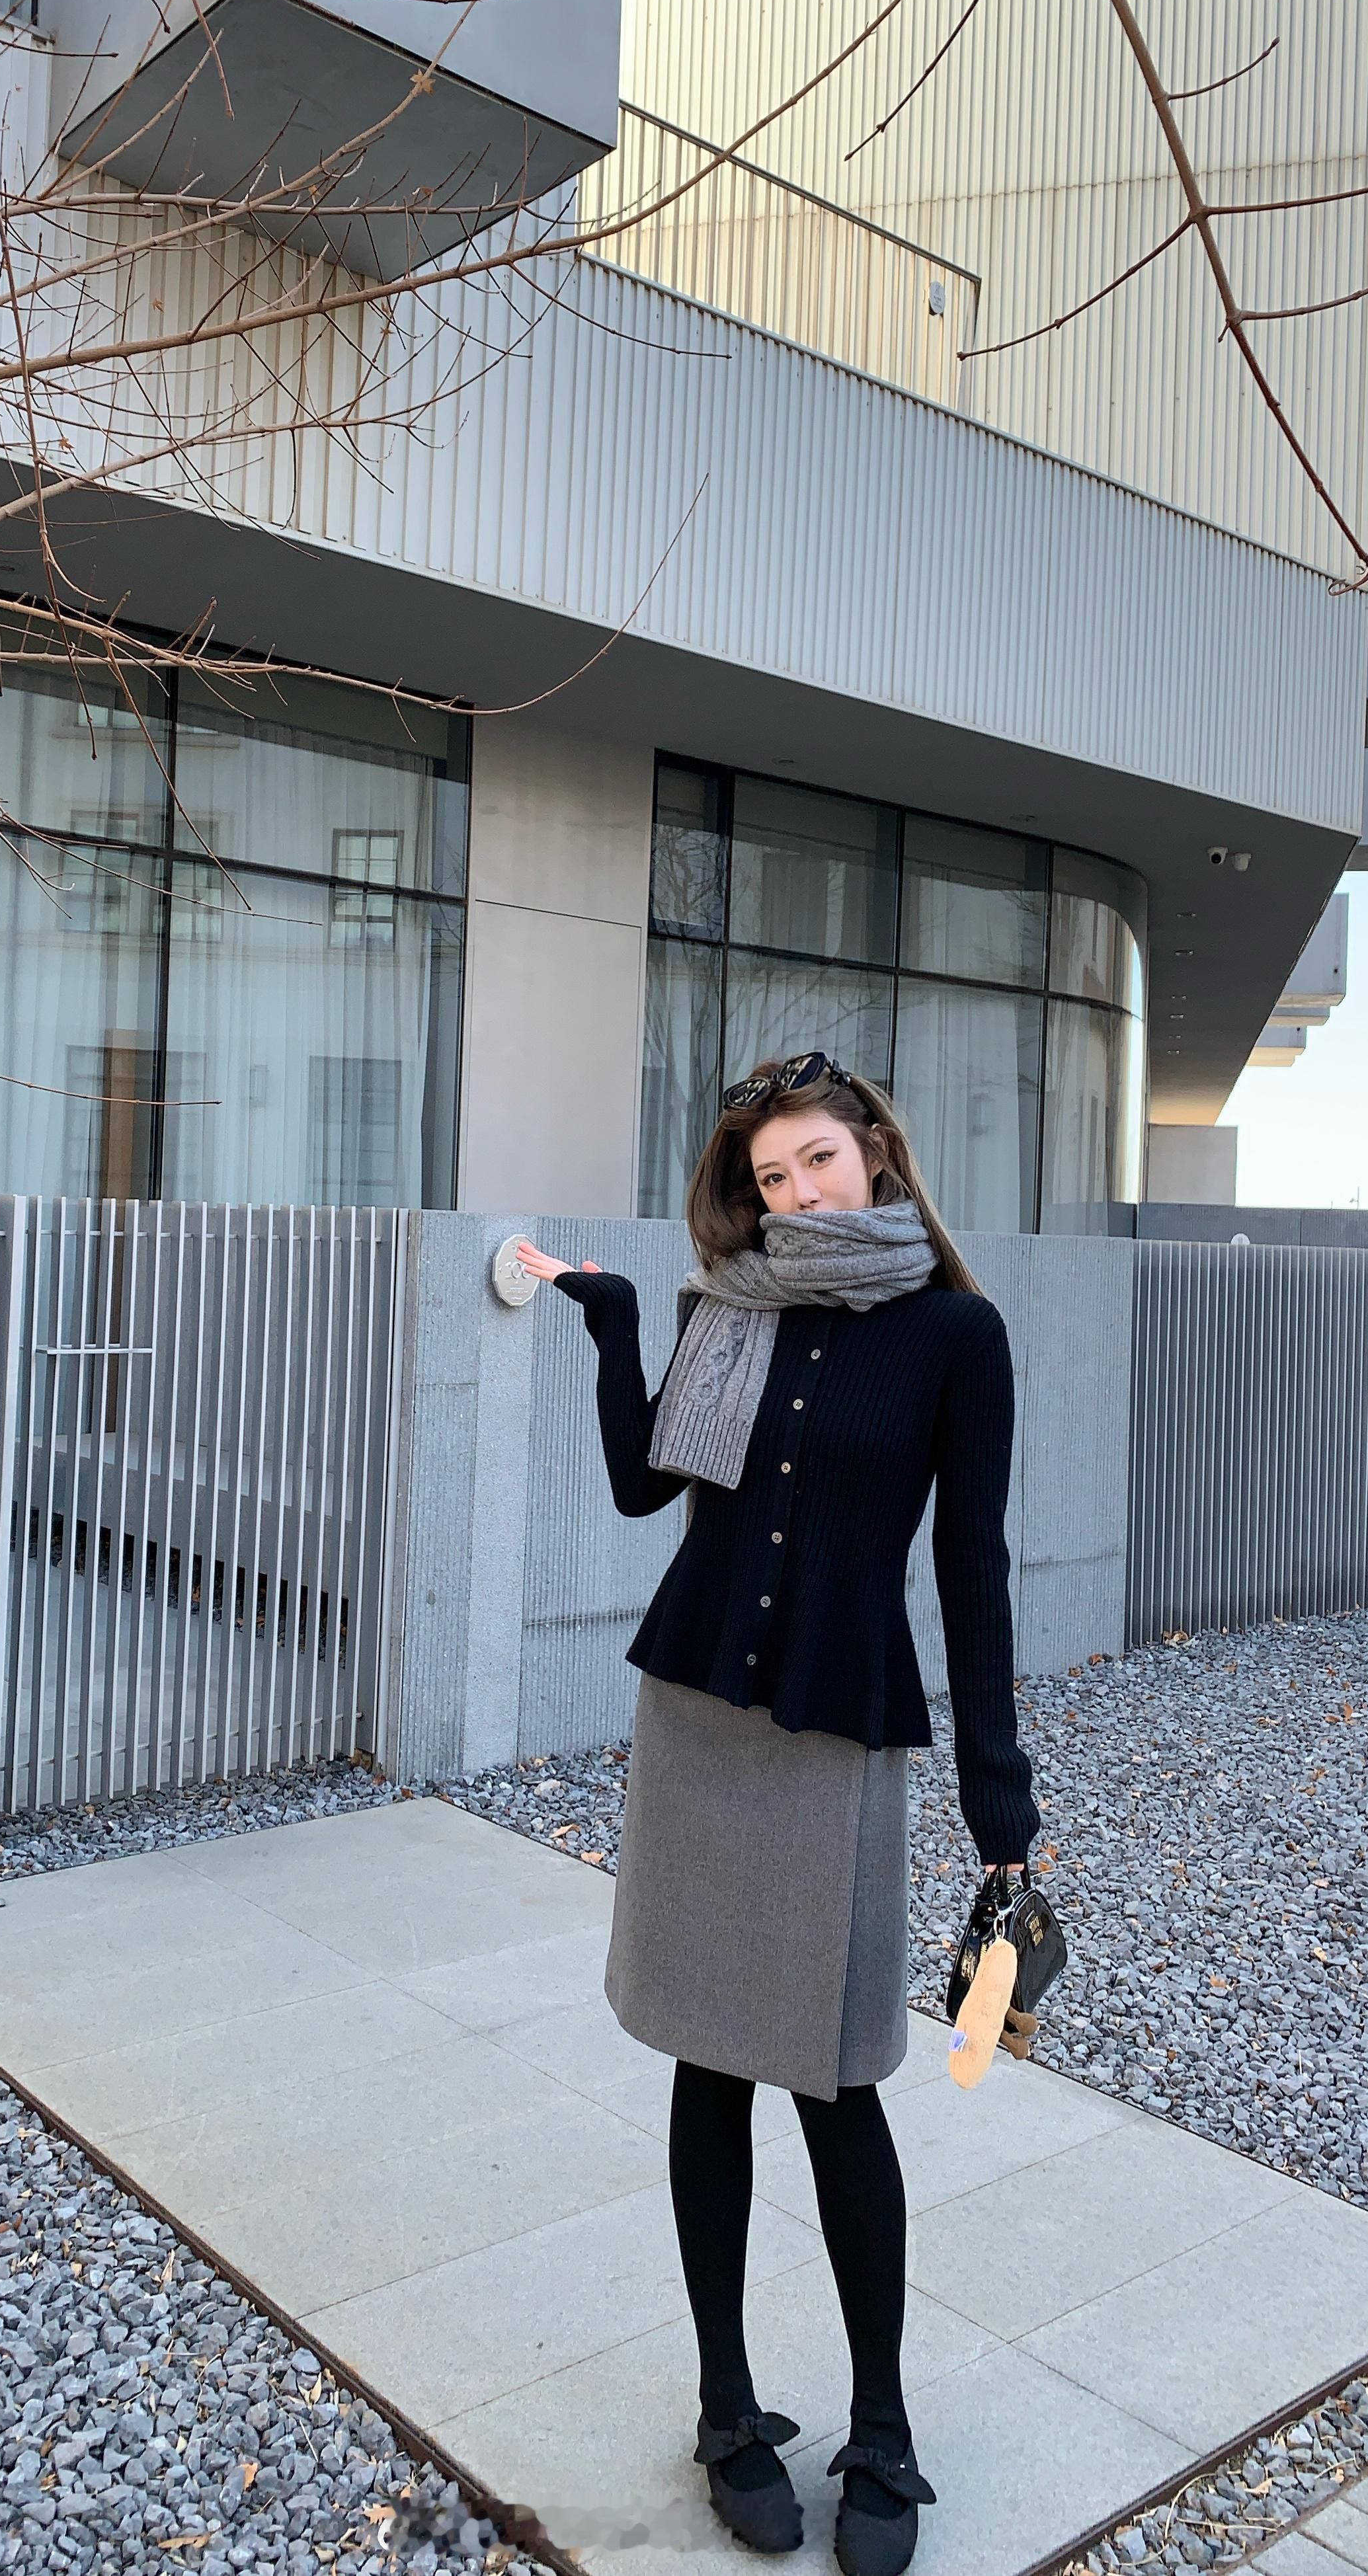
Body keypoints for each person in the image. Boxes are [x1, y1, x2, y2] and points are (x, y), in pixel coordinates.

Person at [512, 1050, 1039, 2576]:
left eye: (816, 1159)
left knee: (835, 2081)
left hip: (833, 1736)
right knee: (708, 2065)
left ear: (874, 1148)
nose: (797, 1192)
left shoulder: (955, 1334)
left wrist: (1000, 1800)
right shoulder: (723, 1309)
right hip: (696, 1722)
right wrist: (618, 1323)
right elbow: (642, 1485)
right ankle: (726, 2407)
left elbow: (973, 1568)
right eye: (769, 1177)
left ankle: (882, 2424)